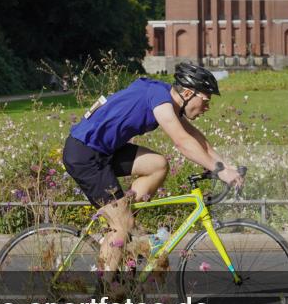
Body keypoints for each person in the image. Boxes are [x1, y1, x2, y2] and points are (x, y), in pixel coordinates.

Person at [62, 63, 243, 276]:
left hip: (104, 150)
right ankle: (106, 295)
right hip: (85, 153)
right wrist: (220, 172)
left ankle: (122, 223)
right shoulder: (160, 100)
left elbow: (197, 139)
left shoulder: (166, 97)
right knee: (122, 225)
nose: (207, 107)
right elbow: (182, 141)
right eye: (205, 100)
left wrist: (224, 166)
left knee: (158, 164)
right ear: (187, 93)